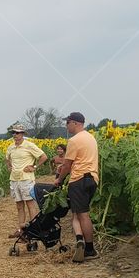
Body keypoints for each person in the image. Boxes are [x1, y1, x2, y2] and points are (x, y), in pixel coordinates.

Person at [53, 112, 99, 263]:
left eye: (67, 123)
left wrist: (59, 179)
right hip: (92, 179)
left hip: (79, 180)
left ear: (75, 123)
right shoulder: (90, 137)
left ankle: (89, 249)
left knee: (82, 214)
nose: (66, 126)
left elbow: (67, 165)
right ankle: (79, 239)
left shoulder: (74, 140)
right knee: (78, 213)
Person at [5, 123, 48, 238]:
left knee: (30, 205)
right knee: (19, 206)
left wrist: (34, 167)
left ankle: (33, 230)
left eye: (17, 133)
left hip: (26, 179)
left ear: (22, 134)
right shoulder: (11, 147)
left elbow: (44, 157)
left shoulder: (29, 145)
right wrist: (9, 167)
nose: (15, 135)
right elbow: (7, 159)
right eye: (13, 132)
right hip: (14, 180)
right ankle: (21, 230)